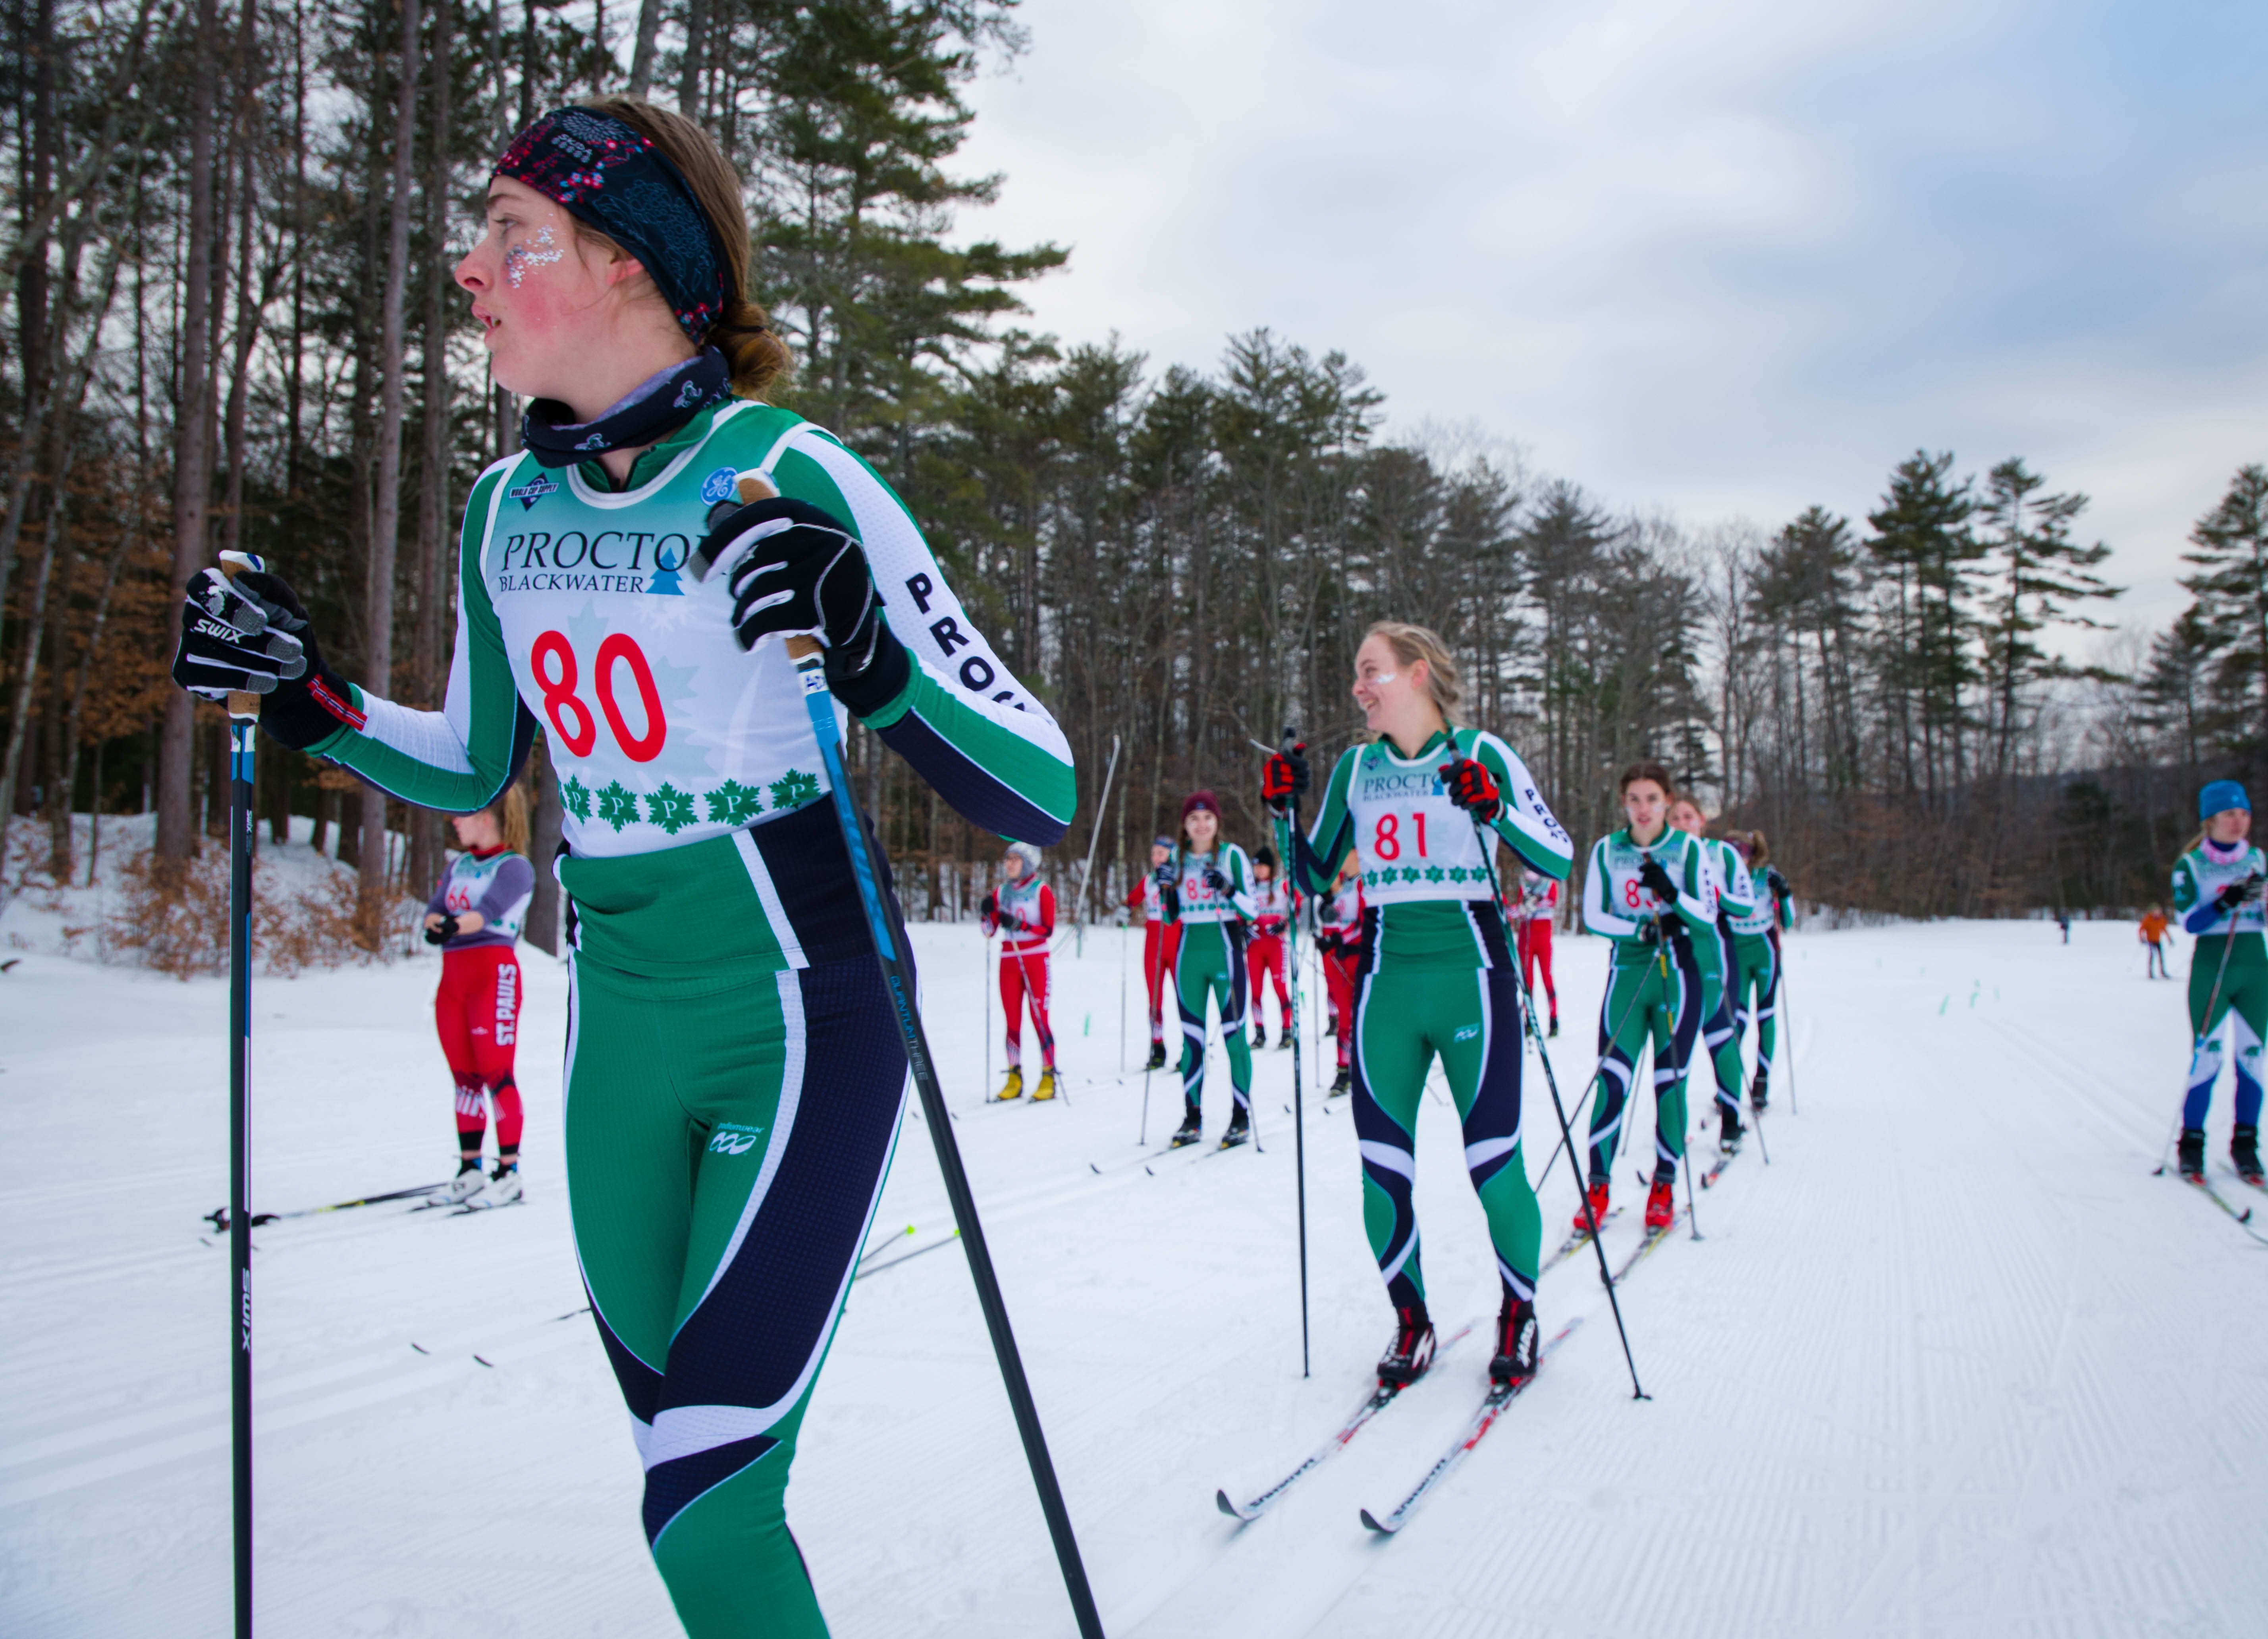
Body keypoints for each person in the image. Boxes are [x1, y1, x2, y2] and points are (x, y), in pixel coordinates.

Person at [170, 98, 1074, 1638]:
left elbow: (1037, 790)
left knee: (707, 1489)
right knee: (679, 1482)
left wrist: (874, 661)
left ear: (627, 266)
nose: (469, 268)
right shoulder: (505, 503)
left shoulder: (789, 471)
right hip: (619, 1026)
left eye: (511, 235)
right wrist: (311, 698)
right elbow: (470, 765)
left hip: (802, 1013)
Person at [1265, 621, 1572, 1390]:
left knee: (1494, 1164)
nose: (1359, 688)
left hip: (1472, 976)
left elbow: (1558, 856)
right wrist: (1280, 815)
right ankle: (1412, 1322)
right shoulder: (1356, 769)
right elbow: (1311, 878)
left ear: (1420, 674)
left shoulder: (1482, 753)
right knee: (1381, 1174)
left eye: (1372, 672)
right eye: (1356, 675)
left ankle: (1519, 1312)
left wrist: (1495, 809)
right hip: (1385, 987)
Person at [1578, 762, 1713, 1236]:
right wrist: (1639, 927)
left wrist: (1674, 897)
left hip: (1677, 974)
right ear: (1623, 803)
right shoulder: (1607, 850)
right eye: (1634, 799)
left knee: (1669, 1084)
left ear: (1668, 803)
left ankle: (1664, 1185)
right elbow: (1593, 914)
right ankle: (1597, 1187)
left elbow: (1708, 913)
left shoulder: (1688, 848)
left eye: (1652, 799)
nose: (1643, 809)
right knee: (1611, 1082)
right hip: (1628, 976)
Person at [424, 786, 538, 1205]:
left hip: (493, 973)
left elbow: (486, 913)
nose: (455, 821)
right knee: (464, 1076)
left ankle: (509, 1171)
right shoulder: (460, 865)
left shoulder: (515, 867)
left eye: (462, 815)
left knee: (496, 1071)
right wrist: (439, 923)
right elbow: (434, 908)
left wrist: (452, 925)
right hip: (454, 976)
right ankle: (470, 1167)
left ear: (486, 818)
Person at [2171, 780, 2267, 1186]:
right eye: (2230, 814)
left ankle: (2246, 1147)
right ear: (2210, 820)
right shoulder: (2190, 865)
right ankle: (2192, 1147)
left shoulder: (2259, 859)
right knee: (2208, 1058)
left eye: (2244, 814)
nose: (2239, 822)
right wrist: (2227, 900)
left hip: (2254, 967)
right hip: (2214, 966)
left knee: (2254, 1059)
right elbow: (2190, 922)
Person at [1163, 791, 1259, 1148]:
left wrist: (1228, 887)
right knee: (1192, 1041)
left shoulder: (1231, 856)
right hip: (1190, 953)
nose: (1201, 825)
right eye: (1193, 820)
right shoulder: (1176, 857)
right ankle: (1193, 1118)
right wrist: (1164, 887)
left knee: (1235, 1038)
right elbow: (1171, 915)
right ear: (1185, 826)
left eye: (1208, 819)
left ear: (1217, 822)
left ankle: (1240, 1116)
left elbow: (1253, 909)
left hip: (1225, 950)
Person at [1668, 796, 1752, 1150]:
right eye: (1675, 818)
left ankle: (1731, 1120)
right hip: (1675, 953)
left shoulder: (1723, 854)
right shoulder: (1664, 852)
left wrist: (1716, 897)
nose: (1682, 823)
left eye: (1689, 817)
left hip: (1717, 949)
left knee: (1721, 1036)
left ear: (1702, 820)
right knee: (1675, 1045)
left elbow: (1746, 904)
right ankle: (1672, 1131)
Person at [1722, 831, 1792, 1111]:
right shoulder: (1723, 875)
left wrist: (1785, 893)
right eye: (1732, 849)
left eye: (1744, 850)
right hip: (1736, 952)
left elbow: (1787, 920)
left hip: (1764, 951)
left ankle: (1761, 1080)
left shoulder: (1767, 875)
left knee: (1765, 1015)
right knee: (1735, 1020)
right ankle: (1728, 1084)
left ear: (1753, 852)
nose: (1739, 855)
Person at [982, 840, 1057, 1101]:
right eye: (1007, 859)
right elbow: (988, 932)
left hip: (1035, 959)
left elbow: (1048, 929)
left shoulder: (1041, 890)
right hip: (1009, 961)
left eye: (1015, 860)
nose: (1009, 864)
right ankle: (1015, 1075)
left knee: (1039, 1018)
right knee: (1012, 1021)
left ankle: (1048, 1075)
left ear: (1027, 863)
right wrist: (987, 913)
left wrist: (1019, 924)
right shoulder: (1001, 892)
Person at [1125, 836, 1180, 1070]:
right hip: (1153, 948)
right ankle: (1158, 1048)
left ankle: (1190, 1048)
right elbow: (1131, 900)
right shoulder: (1149, 880)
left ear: (1172, 855)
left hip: (1177, 944)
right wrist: (1123, 910)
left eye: (1161, 853)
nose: (1156, 858)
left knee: (1185, 999)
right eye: (1154, 853)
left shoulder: (1180, 878)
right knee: (1155, 999)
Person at [1315, 851, 1365, 1096]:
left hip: (1362, 960)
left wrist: (1339, 939)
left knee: (1366, 1017)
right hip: (1343, 961)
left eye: (1345, 852)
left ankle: (1371, 1067)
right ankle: (1344, 1069)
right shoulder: (1344, 887)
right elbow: (1339, 923)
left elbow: (1366, 924)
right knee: (1346, 1016)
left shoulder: (1366, 883)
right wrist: (1327, 941)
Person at [1247, 845, 1294, 1048]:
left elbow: (1298, 906)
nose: (1258, 870)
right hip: (1255, 946)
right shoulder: (1250, 887)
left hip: (1277, 945)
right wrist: (1243, 927)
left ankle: (1287, 1031)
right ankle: (1259, 1034)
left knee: (1280, 989)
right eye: (1256, 866)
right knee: (1256, 991)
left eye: (1262, 866)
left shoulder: (1282, 885)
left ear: (1270, 868)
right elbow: (1241, 910)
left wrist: (1284, 923)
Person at [1511, 868, 1560, 1036]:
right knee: (1528, 981)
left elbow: (1552, 900)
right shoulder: (1523, 885)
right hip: (1527, 935)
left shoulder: (1549, 883)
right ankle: (1529, 1021)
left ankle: (1554, 1020)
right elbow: (1518, 910)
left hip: (1543, 934)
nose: (1529, 873)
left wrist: (1536, 901)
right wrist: (1520, 909)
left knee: (1547, 977)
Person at [2140, 904, 2173, 980]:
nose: (2158, 913)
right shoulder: (2148, 919)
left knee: (2161, 956)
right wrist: (2142, 938)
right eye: (2157, 911)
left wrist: (2169, 939)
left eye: (2159, 912)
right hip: (2150, 941)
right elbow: (2141, 929)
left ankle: (2163, 972)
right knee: (2152, 956)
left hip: (2158, 940)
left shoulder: (2161, 920)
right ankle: (2150, 973)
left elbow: (2164, 929)